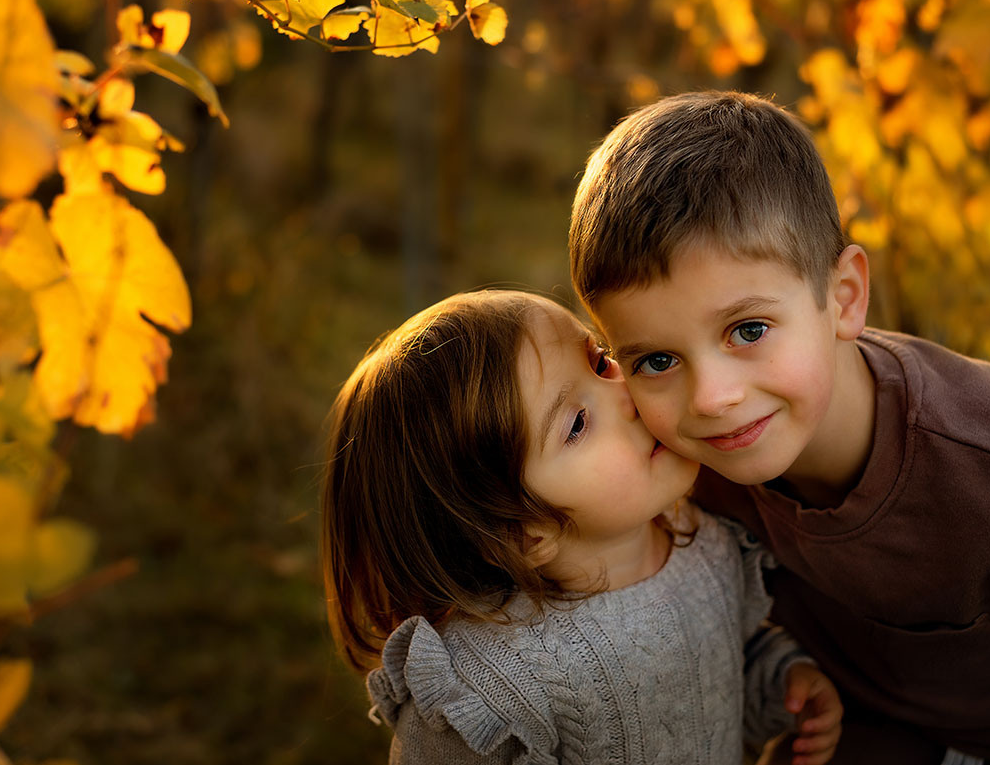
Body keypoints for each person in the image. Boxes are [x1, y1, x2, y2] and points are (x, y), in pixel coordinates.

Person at [567, 89, 990, 765]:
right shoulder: (686, 465)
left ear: (844, 299)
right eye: (657, 359)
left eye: (748, 330)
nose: (712, 397)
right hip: (876, 726)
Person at [321, 289, 843, 764]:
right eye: (576, 423)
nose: (627, 395)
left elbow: (721, 672)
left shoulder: (710, 542)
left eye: (601, 361)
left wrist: (782, 682)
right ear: (523, 533)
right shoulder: (498, 685)